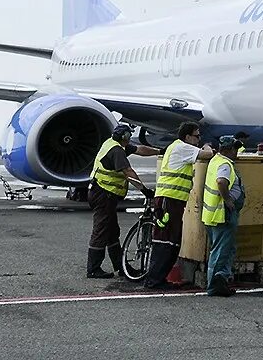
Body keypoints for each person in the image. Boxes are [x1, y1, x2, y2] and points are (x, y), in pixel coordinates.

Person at [143, 121, 215, 289]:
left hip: (171, 200)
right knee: (166, 240)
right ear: (188, 136)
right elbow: (207, 155)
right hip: (170, 200)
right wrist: (206, 146)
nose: (198, 139)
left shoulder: (175, 147)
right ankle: (154, 280)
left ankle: (159, 278)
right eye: (197, 136)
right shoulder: (183, 148)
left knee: (171, 240)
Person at [86, 124, 160, 279]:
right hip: (104, 194)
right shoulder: (117, 150)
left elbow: (140, 150)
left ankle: (121, 267)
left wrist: (159, 152)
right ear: (125, 137)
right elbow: (128, 172)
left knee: (112, 232)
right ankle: (93, 268)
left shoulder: (112, 143)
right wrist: (144, 190)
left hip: (103, 193)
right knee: (101, 230)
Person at [201, 136, 245, 296]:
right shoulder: (225, 164)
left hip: (212, 214)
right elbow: (221, 182)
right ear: (227, 150)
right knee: (221, 252)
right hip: (222, 214)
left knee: (221, 250)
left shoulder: (215, 160)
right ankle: (215, 286)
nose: (237, 152)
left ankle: (220, 282)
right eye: (235, 149)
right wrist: (228, 199)